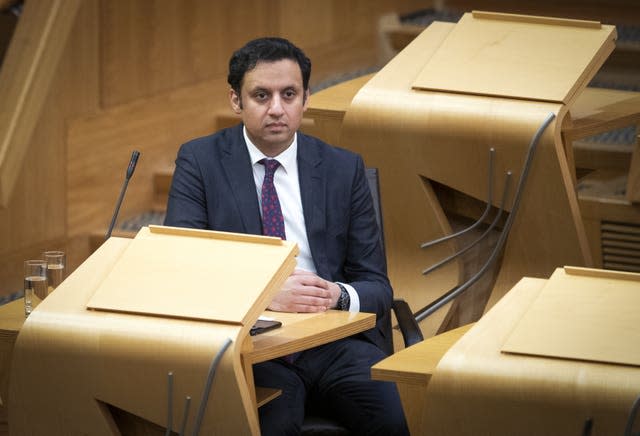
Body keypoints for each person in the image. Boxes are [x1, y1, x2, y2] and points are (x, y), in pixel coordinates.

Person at [164, 37, 408, 436]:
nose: (276, 108)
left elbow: (377, 287)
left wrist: (336, 295)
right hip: (253, 349)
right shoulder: (200, 162)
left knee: (399, 418)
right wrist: (265, 295)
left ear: (306, 99)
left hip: (333, 344)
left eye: (288, 94)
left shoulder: (342, 169)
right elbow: (182, 271)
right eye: (261, 95)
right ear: (235, 101)